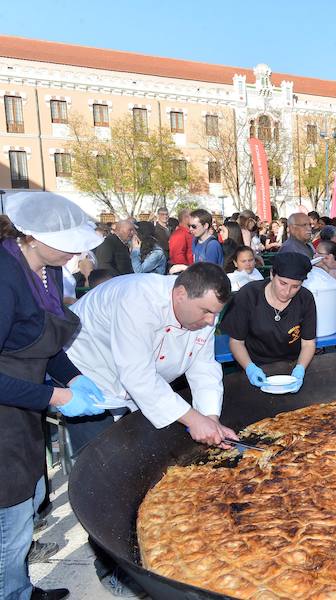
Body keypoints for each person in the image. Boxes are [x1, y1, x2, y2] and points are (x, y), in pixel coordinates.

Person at [1, 193, 108, 600]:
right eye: (67, 241)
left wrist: (74, 378)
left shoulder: (44, 269)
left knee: (30, 499)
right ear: (32, 237)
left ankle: (19, 586)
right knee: (10, 515)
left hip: (23, 402)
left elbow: (41, 345)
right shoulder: (4, 276)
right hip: (6, 408)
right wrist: (56, 397)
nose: (78, 252)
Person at [65, 262, 236, 452]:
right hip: (89, 377)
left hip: (138, 387)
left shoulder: (202, 314)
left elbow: (203, 366)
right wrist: (194, 419)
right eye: (206, 311)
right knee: (98, 459)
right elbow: (137, 375)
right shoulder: (138, 300)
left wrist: (210, 419)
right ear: (180, 294)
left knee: (136, 451)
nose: (211, 321)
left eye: (216, 313)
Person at [219, 253, 316, 391]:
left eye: (295, 286)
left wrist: (300, 369)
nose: (287, 291)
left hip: (292, 365)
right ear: (272, 275)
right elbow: (236, 342)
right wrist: (250, 368)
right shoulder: (249, 295)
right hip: (254, 364)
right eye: (282, 283)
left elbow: (308, 343)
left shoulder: (305, 299)